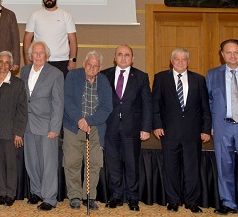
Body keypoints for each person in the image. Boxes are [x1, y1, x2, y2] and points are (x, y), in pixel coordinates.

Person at [153, 48, 211, 214]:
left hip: (193, 133)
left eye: (183, 59)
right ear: (171, 61)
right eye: (177, 59)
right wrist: (157, 125)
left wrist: (206, 129)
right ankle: (173, 200)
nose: (180, 62)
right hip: (169, 132)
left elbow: (205, 107)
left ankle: (191, 202)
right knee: (171, 168)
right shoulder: (161, 78)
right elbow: (155, 104)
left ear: (188, 62)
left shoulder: (199, 79)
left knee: (192, 169)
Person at [101, 45, 152, 212]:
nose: (123, 58)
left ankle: (132, 197)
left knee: (132, 164)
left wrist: (146, 128)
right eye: (120, 54)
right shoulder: (105, 75)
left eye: (127, 55)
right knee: (113, 163)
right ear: (114, 57)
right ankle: (116, 196)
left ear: (133, 58)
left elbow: (147, 104)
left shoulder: (141, 77)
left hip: (132, 128)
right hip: (110, 126)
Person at [63, 51, 112, 211]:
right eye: (89, 64)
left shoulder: (103, 81)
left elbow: (107, 107)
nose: (91, 68)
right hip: (73, 125)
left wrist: (89, 121)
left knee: (94, 162)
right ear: (84, 64)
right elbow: (67, 100)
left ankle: (89, 197)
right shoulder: (73, 76)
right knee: (72, 161)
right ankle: (75, 196)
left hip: (95, 127)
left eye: (95, 66)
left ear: (100, 68)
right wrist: (79, 120)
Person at [21, 41, 64, 211]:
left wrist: (55, 128)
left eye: (41, 53)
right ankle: (36, 192)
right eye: (35, 52)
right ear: (30, 55)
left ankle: (49, 198)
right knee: (32, 162)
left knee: (48, 164)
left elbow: (58, 103)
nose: (38, 56)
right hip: (28, 125)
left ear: (47, 55)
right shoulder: (24, 71)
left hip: (47, 126)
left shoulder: (56, 74)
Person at [0, 51, 27, 207]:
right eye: (1, 62)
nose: (3, 65)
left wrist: (18, 132)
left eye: (7, 62)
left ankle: (10, 194)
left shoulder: (17, 84)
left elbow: (22, 110)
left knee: (10, 165)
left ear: (11, 66)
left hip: (10, 132)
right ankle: (2, 193)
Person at [207, 39, 238, 215]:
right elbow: (209, 102)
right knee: (224, 167)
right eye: (228, 52)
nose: (232, 55)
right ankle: (228, 203)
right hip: (222, 127)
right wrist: (210, 125)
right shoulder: (212, 75)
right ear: (222, 54)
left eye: (236, 52)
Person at [23, 0, 77, 78]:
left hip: (62, 62)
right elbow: (27, 39)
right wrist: (28, 61)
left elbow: (73, 40)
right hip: (40, 61)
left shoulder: (66, 15)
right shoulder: (35, 15)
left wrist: (72, 60)